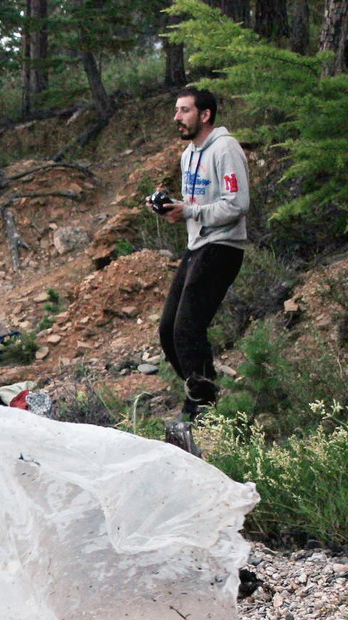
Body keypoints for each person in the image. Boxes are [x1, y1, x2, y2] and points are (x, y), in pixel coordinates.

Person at [150, 86, 250, 434]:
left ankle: (201, 410)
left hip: (223, 246)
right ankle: (202, 392)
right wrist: (173, 209)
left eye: (184, 110)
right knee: (168, 330)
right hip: (198, 246)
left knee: (188, 327)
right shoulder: (188, 155)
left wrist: (190, 211)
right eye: (177, 110)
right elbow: (197, 204)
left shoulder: (225, 148)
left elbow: (236, 204)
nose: (176, 117)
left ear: (205, 114)